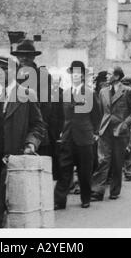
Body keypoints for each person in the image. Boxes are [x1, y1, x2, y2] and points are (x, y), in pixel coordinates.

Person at [0, 55, 46, 228]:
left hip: (15, 161)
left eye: (4, 68)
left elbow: (38, 125)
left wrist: (31, 143)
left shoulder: (27, 95)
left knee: (13, 209)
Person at [54, 61, 101, 209]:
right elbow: (61, 115)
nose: (75, 76)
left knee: (84, 171)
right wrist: (61, 132)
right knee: (64, 170)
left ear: (82, 76)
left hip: (84, 137)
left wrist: (95, 132)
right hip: (68, 137)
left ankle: (85, 198)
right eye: (73, 73)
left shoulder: (90, 93)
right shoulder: (65, 93)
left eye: (78, 73)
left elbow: (97, 115)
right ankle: (59, 201)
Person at [91, 67, 131, 200]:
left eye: (109, 74)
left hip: (120, 131)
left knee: (118, 162)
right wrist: (98, 129)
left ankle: (115, 191)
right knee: (102, 160)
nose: (107, 77)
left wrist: (125, 125)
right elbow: (101, 112)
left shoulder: (128, 91)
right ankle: (97, 191)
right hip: (105, 130)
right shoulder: (103, 91)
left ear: (117, 76)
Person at [11, 39, 60, 159]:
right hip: (14, 128)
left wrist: (37, 132)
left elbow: (46, 107)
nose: (24, 59)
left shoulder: (42, 76)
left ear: (33, 57)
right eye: (20, 55)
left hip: (35, 128)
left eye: (27, 55)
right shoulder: (12, 75)